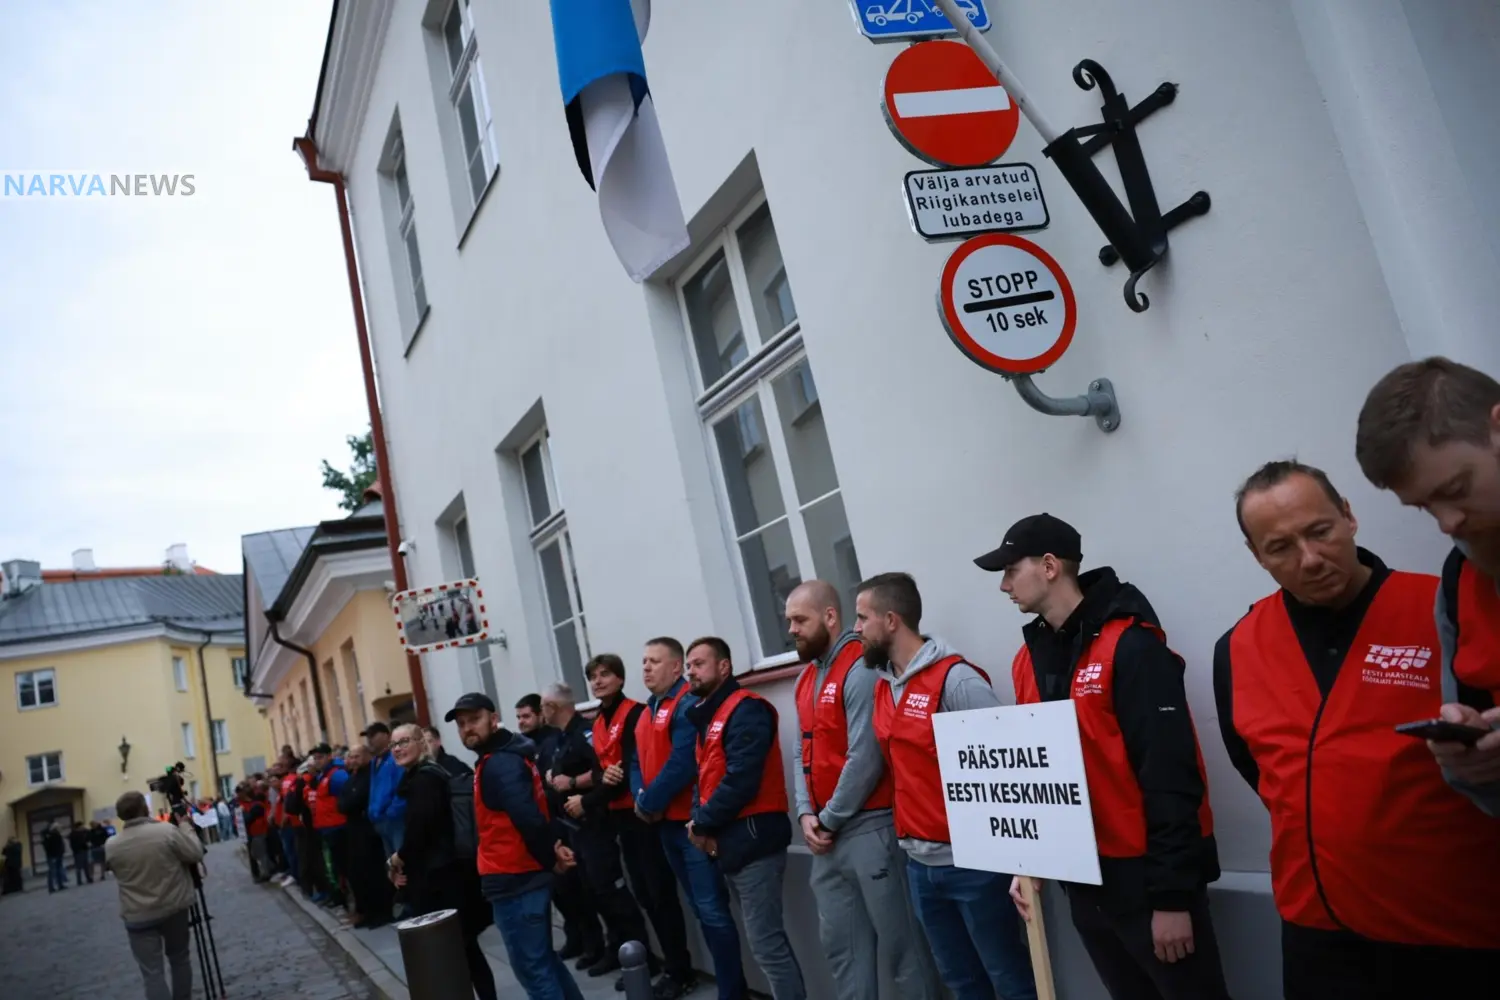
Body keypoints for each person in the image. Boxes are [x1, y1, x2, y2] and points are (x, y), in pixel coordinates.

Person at [1214, 460, 1500, 998]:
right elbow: (1259, 768)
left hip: (1450, 937)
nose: (1310, 559)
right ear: (1257, 556)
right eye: (1279, 548)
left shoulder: (1445, 609)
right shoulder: (1237, 646)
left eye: (1320, 531)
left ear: (1348, 517)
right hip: (1316, 939)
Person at [976, 515, 1231, 1000]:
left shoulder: (1131, 645)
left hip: (1147, 884)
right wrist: (1028, 862)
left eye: (1010, 570)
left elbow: (1170, 776)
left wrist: (1173, 899)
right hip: (1085, 886)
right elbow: (1033, 772)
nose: (1004, 585)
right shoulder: (1026, 660)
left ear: (1050, 566)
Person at [858, 572, 1037, 1000]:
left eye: (862, 618)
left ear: (891, 620)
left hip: (973, 867)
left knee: (1008, 979)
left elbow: (1009, 768)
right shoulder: (884, 689)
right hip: (920, 866)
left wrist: (1021, 862)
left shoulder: (956, 681)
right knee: (960, 982)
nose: (856, 629)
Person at [1355, 356, 1500, 813]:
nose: (1447, 523)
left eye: (1456, 489)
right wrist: (1470, 765)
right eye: (1423, 507)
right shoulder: (1459, 584)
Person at [787, 579, 939, 1000]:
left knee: (903, 950)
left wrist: (828, 818)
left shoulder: (861, 667)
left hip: (870, 830)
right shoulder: (805, 681)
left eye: (800, 619)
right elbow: (802, 751)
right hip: (825, 839)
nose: (792, 629)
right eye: (789, 621)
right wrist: (805, 813)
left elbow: (865, 757)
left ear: (830, 617)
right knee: (843, 952)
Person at [614, 637, 743, 1000]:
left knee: (712, 912)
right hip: (663, 825)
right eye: (643, 661)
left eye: (654, 661)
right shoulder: (648, 709)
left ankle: (732, 992)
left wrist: (647, 800)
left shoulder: (687, 704)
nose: (646, 668)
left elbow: (683, 764)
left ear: (676, 668)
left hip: (691, 826)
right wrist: (642, 797)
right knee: (700, 912)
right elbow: (636, 762)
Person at [685, 636, 806, 1000]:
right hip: (731, 843)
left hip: (753, 840)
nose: (691, 670)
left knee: (767, 945)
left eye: (699, 663)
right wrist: (698, 822)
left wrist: (702, 823)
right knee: (765, 943)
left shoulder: (746, 709)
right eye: (689, 664)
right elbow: (704, 778)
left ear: (724, 667)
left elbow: (742, 780)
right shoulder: (709, 717)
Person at [448, 692, 584, 1000]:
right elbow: (538, 807)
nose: (468, 728)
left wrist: (551, 858)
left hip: (516, 880)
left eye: (475, 720)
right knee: (544, 963)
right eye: (462, 724)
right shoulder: (503, 757)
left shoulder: (500, 764)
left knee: (533, 971)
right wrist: (554, 847)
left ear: (493, 720)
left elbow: (528, 818)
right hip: (519, 877)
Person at [581, 653, 696, 998]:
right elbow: (603, 769)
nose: (598, 681)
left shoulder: (634, 712)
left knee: (659, 894)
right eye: (593, 677)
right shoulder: (599, 719)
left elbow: (631, 766)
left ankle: (680, 969)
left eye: (605, 674)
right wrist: (600, 778)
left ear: (619, 678)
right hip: (618, 815)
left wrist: (591, 793)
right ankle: (661, 964)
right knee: (645, 895)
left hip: (641, 814)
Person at [545, 680, 651, 980]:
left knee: (612, 891)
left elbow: (607, 771)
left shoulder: (584, 733)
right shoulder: (561, 738)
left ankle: (641, 955)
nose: (542, 712)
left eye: (543, 706)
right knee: (595, 892)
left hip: (596, 824)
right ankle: (616, 949)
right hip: (575, 828)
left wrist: (573, 782)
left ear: (553, 707)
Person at [388, 723, 497, 1000]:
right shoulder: (419, 777)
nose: (398, 749)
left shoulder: (426, 779)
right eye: (394, 745)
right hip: (437, 875)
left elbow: (420, 831)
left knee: (457, 950)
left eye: (404, 742)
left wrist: (397, 858)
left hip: (442, 880)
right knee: (462, 950)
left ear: (420, 744)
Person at [105, 790, 206, 1000]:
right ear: (145, 808)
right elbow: (194, 853)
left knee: (152, 972)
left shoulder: (112, 845)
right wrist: (186, 826)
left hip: (137, 914)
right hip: (173, 906)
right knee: (179, 959)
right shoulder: (166, 831)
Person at [309, 744, 350, 907]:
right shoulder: (323, 775)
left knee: (343, 869)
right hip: (328, 828)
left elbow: (346, 796)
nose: (317, 761)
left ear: (329, 756)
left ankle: (350, 903)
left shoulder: (337, 775)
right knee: (334, 868)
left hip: (338, 828)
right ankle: (343, 901)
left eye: (320, 757)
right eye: (315, 758)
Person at [366, 722, 409, 864]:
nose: (369, 740)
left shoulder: (395, 756)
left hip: (395, 820)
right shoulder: (374, 761)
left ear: (386, 735)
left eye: (373, 735)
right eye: (368, 736)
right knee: (392, 865)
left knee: (402, 861)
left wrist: (392, 811)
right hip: (380, 820)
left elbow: (402, 787)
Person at [42, 823, 67, 893]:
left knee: (58, 870)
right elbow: (49, 847)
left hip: (57, 855)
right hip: (53, 855)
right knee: (53, 871)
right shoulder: (52, 836)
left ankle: (59, 885)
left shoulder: (55, 835)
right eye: (59, 828)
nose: (61, 829)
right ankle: (52, 886)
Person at [69, 818, 95, 885]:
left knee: (85, 866)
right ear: (79, 826)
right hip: (79, 851)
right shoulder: (74, 834)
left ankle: (87, 878)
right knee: (79, 867)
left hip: (82, 850)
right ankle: (80, 880)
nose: (83, 827)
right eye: (82, 826)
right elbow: (75, 844)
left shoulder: (82, 832)